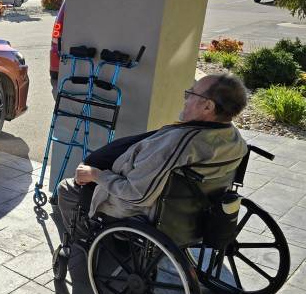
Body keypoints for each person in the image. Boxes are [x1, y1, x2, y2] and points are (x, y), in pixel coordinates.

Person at [53, 74, 249, 227]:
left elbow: (137, 194)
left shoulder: (180, 144)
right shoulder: (233, 138)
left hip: (135, 210)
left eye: (191, 94)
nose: (186, 98)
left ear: (208, 106)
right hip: (192, 210)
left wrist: (96, 174)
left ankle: (83, 245)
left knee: (66, 189)